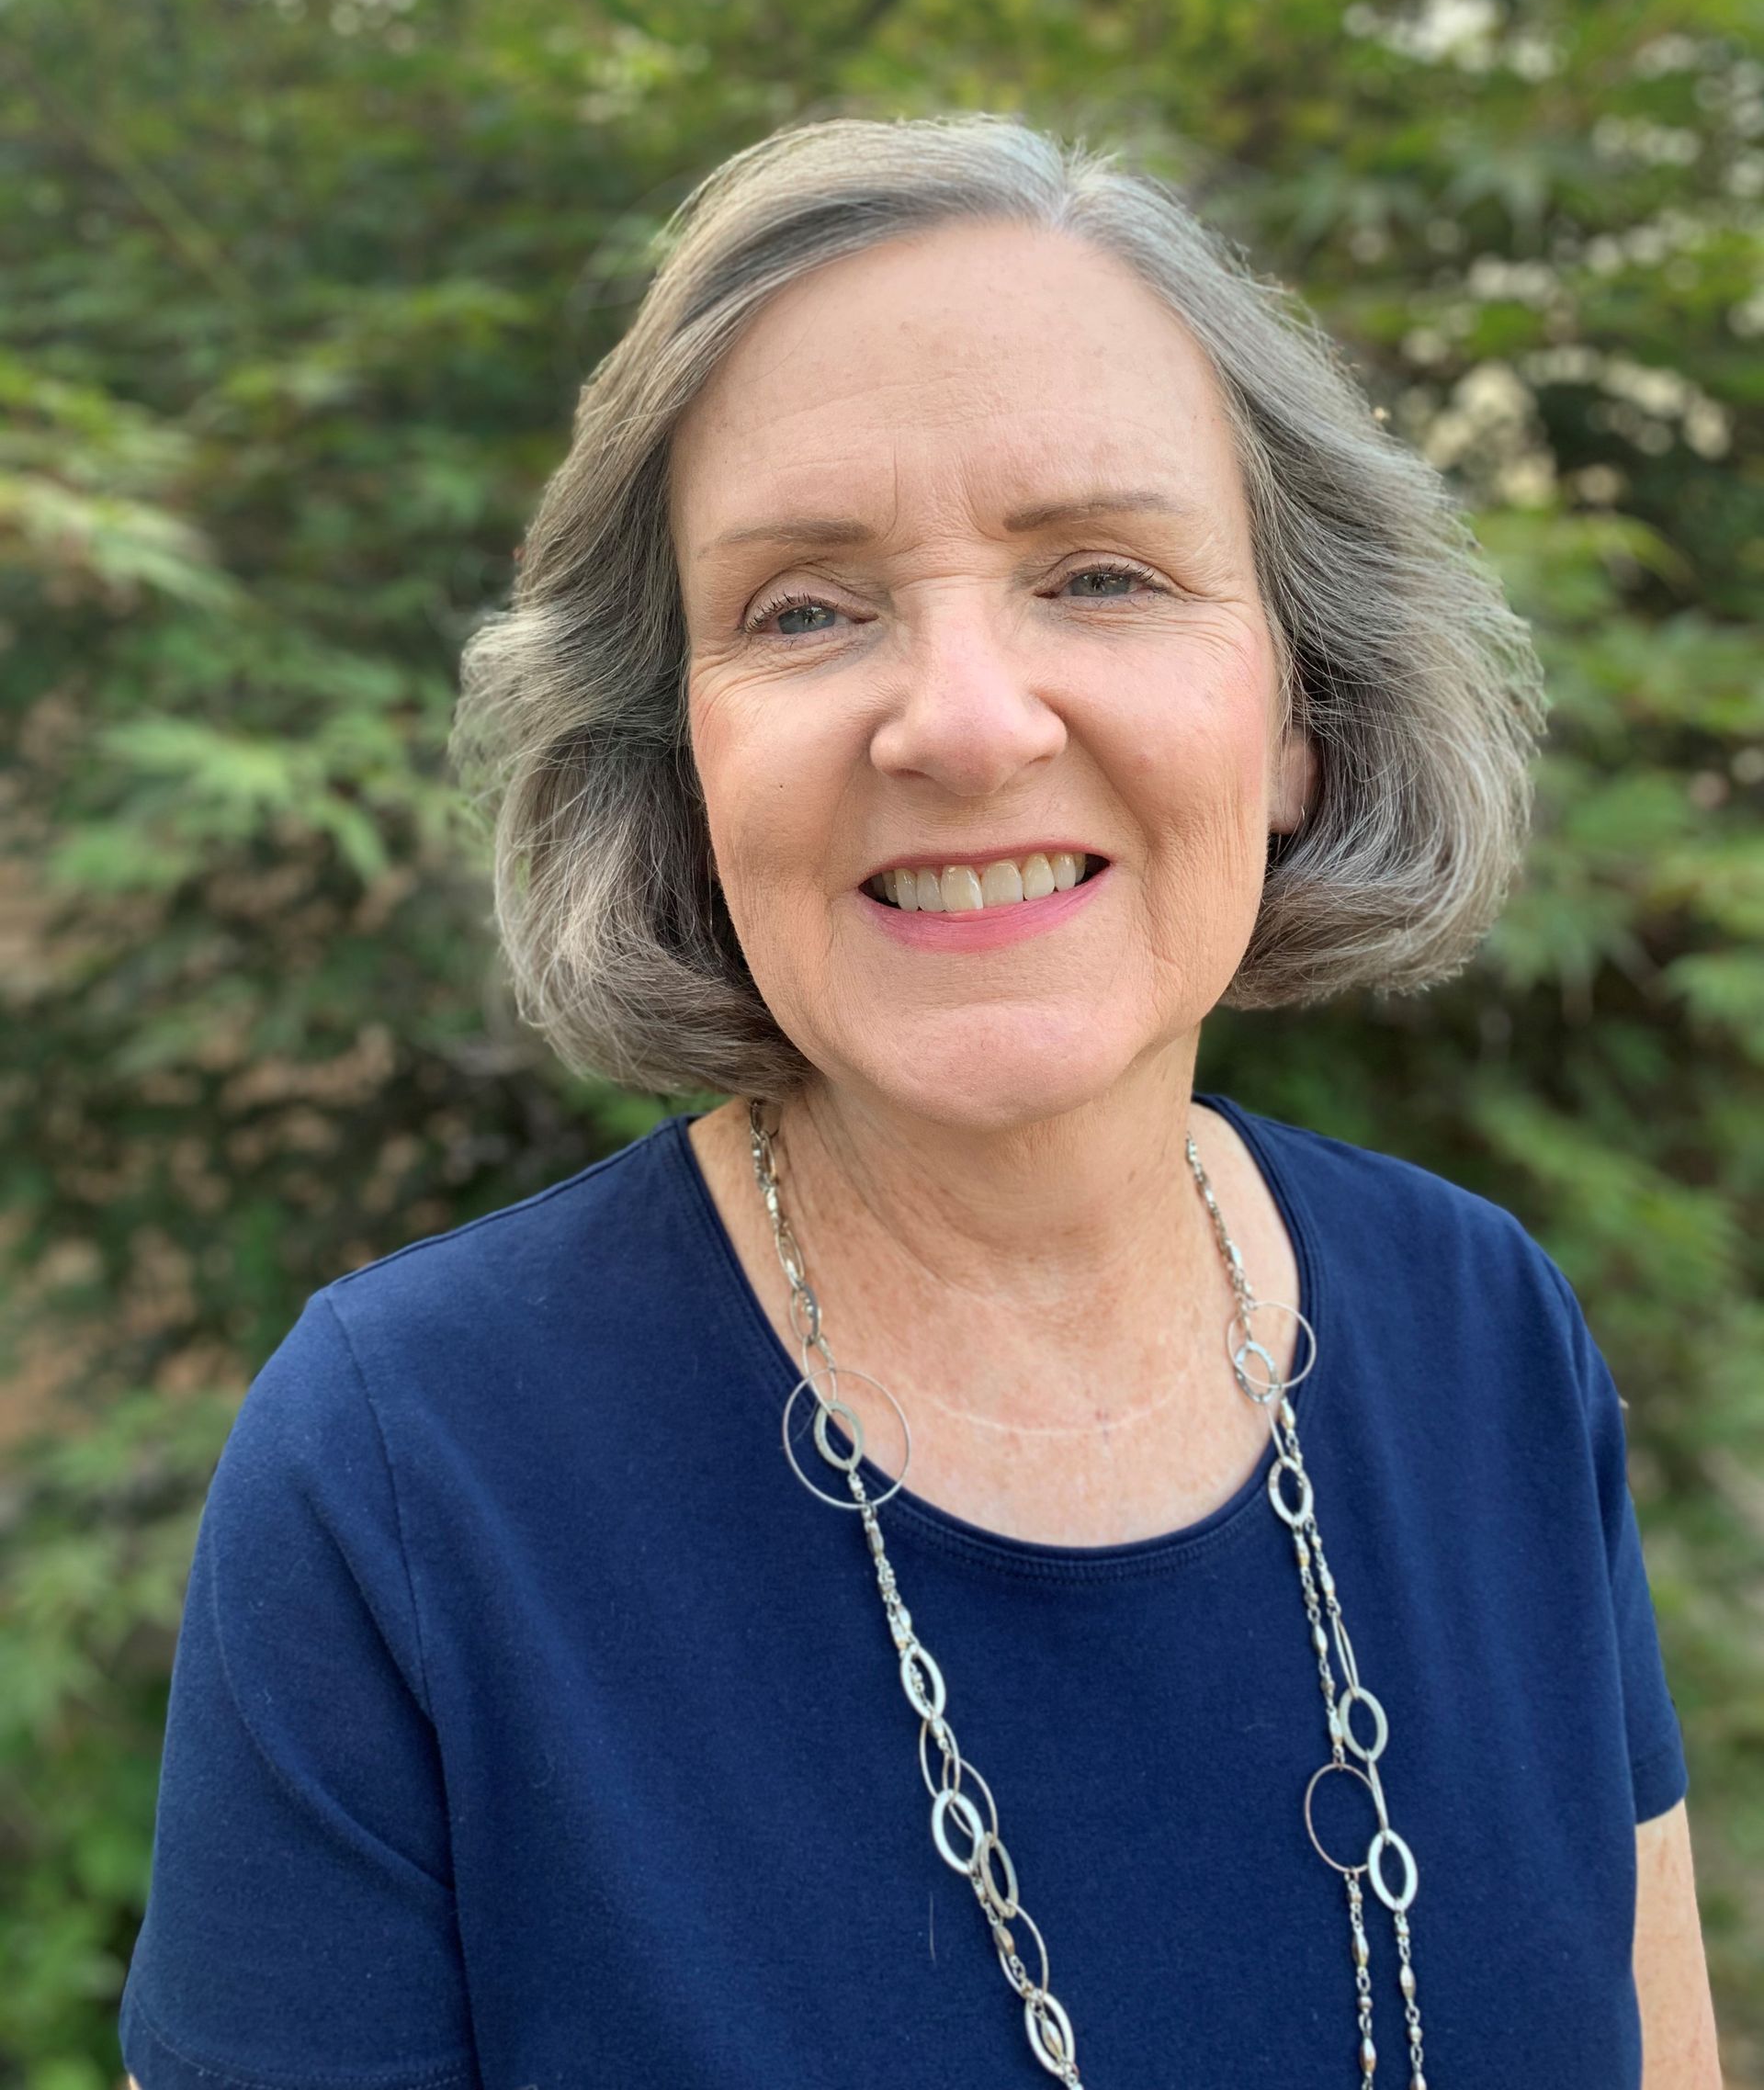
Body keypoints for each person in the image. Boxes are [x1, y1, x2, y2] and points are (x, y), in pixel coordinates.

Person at [119, 114, 1722, 2090]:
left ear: (1301, 713)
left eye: (1104, 573)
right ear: (680, 759)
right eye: (805, 606)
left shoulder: (1487, 1333)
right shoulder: (402, 1472)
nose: (965, 719)